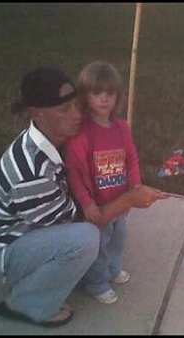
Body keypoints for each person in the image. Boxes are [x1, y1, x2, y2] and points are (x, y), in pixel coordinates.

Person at [0, 66, 166, 327]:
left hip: (26, 229)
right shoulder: (32, 173)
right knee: (85, 239)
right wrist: (129, 199)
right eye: (64, 109)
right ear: (37, 113)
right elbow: (85, 221)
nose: (76, 115)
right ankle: (26, 303)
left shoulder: (54, 138)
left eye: (77, 105)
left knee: (93, 235)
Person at [64, 61, 141, 305]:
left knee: (118, 240)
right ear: (86, 96)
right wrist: (86, 204)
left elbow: (132, 159)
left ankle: (113, 269)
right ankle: (96, 283)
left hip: (120, 202)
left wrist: (135, 188)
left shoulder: (121, 128)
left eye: (110, 93)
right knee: (99, 246)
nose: (104, 99)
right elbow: (74, 172)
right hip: (98, 208)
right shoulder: (82, 133)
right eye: (97, 93)